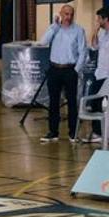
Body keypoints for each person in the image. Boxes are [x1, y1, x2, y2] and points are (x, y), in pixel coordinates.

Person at [39, 4, 86, 143]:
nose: (68, 17)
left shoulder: (78, 30)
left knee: (72, 102)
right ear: (60, 13)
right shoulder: (54, 29)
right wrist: (54, 26)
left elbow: (83, 51)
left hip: (70, 69)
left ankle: (73, 133)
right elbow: (43, 42)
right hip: (54, 69)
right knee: (53, 102)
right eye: (66, 14)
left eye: (71, 14)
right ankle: (53, 132)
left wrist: (76, 70)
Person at [84, 7, 109, 143]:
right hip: (99, 74)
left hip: (108, 76)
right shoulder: (102, 34)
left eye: (99, 19)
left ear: (105, 19)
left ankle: (104, 133)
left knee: (105, 106)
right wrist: (95, 30)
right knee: (94, 103)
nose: (97, 21)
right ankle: (97, 133)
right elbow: (93, 46)